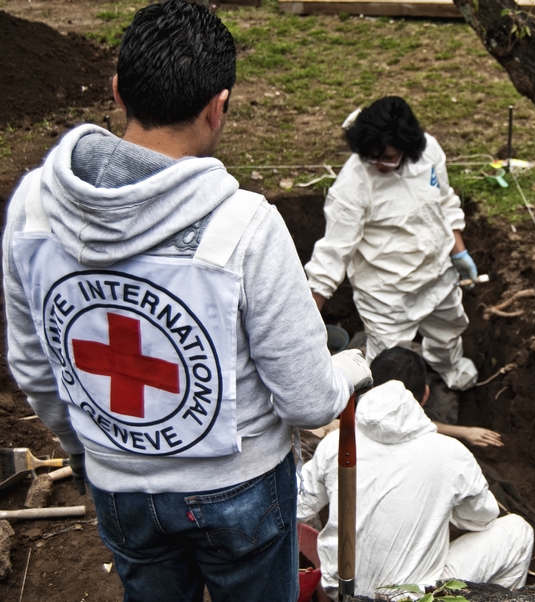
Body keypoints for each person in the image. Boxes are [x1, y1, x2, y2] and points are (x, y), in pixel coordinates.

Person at [1, 2, 371, 600]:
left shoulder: (32, 209)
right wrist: (347, 372)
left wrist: (83, 451)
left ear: (118, 91)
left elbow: (33, 365)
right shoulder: (246, 226)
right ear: (217, 107)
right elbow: (307, 400)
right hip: (239, 491)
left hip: (118, 483)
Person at [298, 347, 533, 598]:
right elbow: (481, 518)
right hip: (414, 595)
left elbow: (300, 507)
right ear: (426, 395)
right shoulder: (451, 454)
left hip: (340, 590)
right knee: (519, 532)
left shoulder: (337, 443)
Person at [305, 96, 479, 391]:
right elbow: (333, 254)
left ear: (407, 147)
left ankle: (446, 368)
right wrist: (307, 315)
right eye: (371, 157)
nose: (379, 164)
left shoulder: (428, 151)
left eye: (387, 157)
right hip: (387, 295)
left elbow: (445, 201)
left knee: (447, 332)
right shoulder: (352, 186)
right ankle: (385, 413)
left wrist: (459, 252)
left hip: (437, 276)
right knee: (389, 364)